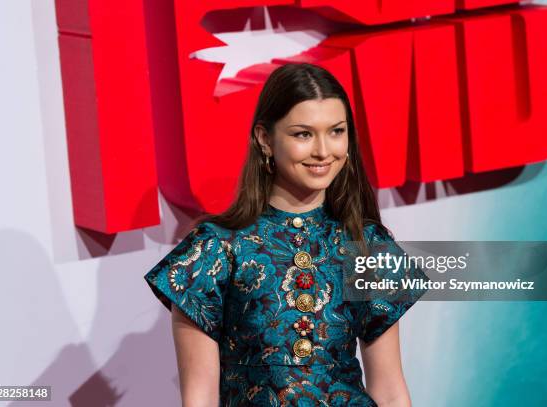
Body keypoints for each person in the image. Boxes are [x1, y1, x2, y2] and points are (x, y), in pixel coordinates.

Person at [144, 62, 428, 406]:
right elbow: (199, 398)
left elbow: (390, 390)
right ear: (265, 139)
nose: (324, 151)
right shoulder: (214, 251)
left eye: (336, 131)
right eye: (303, 134)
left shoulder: (366, 245)